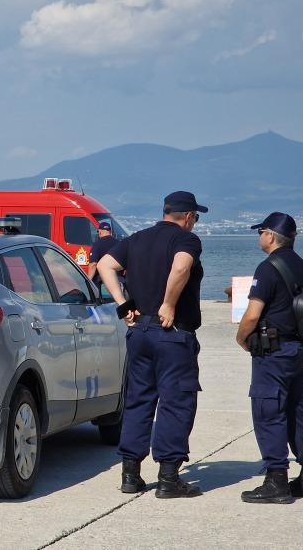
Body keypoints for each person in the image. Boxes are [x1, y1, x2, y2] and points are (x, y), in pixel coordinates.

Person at [97, 191, 207, 499]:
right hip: (172, 334)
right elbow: (182, 267)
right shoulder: (186, 240)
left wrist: (124, 305)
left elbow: (105, 266)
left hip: (140, 332)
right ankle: (169, 479)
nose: (194, 223)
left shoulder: (137, 238)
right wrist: (169, 303)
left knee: (139, 400)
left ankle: (130, 475)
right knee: (176, 402)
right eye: (195, 218)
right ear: (187, 216)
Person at [235, 212, 303, 503]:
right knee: (299, 410)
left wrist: (241, 339)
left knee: (268, 410)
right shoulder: (302, 266)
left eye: (260, 232)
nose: (259, 237)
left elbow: (252, 315)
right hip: (297, 349)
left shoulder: (268, 267)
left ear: (270, 235)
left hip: (272, 352)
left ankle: (276, 480)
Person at [88, 221, 119, 286]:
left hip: (102, 281)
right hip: (118, 279)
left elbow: (93, 265)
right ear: (110, 232)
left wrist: (88, 282)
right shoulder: (119, 243)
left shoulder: (97, 245)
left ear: (100, 231)